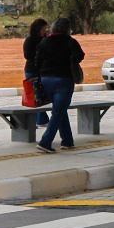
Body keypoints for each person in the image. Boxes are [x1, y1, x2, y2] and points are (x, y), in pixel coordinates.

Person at [34, 17, 85, 153]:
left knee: (60, 110)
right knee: (58, 111)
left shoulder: (44, 42)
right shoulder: (70, 42)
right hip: (64, 80)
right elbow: (80, 56)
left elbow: (36, 61)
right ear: (67, 29)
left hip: (46, 80)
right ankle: (45, 142)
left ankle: (67, 141)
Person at [23, 18, 49, 128]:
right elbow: (27, 56)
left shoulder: (46, 38)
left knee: (41, 96)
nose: (45, 30)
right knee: (35, 96)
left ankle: (40, 120)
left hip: (43, 71)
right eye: (44, 28)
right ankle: (41, 121)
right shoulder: (30, 40)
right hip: (32, 71)